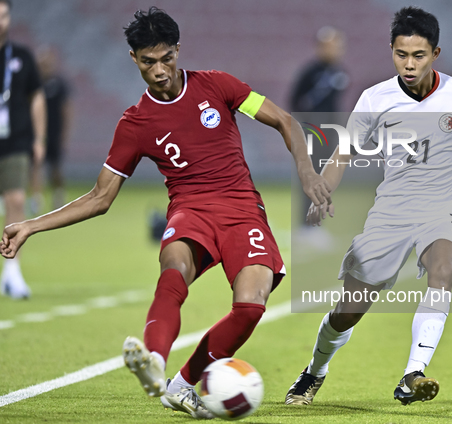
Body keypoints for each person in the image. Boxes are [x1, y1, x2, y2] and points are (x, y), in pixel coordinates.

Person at [1, 7, 330, 419]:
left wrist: (305, 170)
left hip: (242, 208)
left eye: (166, 59)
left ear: (178, 50)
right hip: (189, 210)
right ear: (133, 59)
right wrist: (31, 224)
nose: (159, 71)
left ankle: (181, 385)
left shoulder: (217, 85)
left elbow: (284, 121)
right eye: (147, 62)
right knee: (173, 271)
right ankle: (154, 362)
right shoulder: (135, 123)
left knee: (251, 307)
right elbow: (101, 197)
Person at [285, 6, 452, 406]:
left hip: (441, 209)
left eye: (418, 55)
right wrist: (324, 190)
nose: (409, 63)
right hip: (391, 212)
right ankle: (314, 371)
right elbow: (343, 153)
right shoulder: (375, 98)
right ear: (392, 50)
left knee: (443, 269)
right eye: (401, 54)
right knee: (348, 311)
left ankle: (412, 374)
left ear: (436, 54)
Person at [0, 0, 46, 299]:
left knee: (16, 199)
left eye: (3, 15)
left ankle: (12, 273)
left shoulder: (22, 56)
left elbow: (37, 98)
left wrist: (39, 139)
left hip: (14, 141)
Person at [289, 26, 348, 248]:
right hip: (312, 133)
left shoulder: (340, 71)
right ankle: (306, 226)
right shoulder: (311, 72)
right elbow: (295, 101)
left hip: (330, 133)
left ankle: (314, 224)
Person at [30, 46, 72, 213]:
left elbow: (67, 110)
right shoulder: (33, 84)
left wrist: (65, 134)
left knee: (55, 168)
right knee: (36, 166)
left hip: (55, 132)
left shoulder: (59, 84)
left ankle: (58, 194)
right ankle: (36, 200)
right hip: (37, 133)